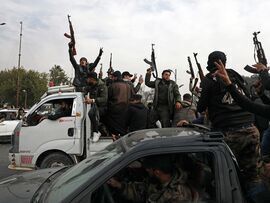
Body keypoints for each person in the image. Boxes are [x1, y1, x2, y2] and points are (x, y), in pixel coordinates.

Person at [197, 51, 265, 202]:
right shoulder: (235, 75)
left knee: (224, 176)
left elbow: (201, 107)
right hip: (251, 130)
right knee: (253, 176)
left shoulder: (209, 79)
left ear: (210, 62)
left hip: (228, 133)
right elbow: (246, 97)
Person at [108, 155, 197, 203]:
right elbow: (140, 192)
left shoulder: (178, 196)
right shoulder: (157, 182)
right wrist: (118, 185)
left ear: (157, 172)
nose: (146, 170)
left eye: (149, 169)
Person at [106, 71, 133, 137]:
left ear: (115, 77)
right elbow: (133, 96)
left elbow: (107, 98)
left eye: (113, 77)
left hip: (115, 110)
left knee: (114, 129)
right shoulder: (128, 86)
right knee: (123, 128)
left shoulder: (112, 86)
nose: (112, 78)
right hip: (126, 109)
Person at [84, 71, 108, 142]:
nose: (86, 80)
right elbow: (85, 90)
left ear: (91, 79)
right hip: (95, 106)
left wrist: (92, 100)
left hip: (102, 107)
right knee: (92, 112)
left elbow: (104, 99)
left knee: (91, 113)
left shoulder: (102, 86)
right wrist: (85, 96)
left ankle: (97, 131)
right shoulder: (91, 85)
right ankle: (100, 128)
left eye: (88, 79)